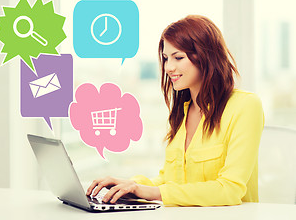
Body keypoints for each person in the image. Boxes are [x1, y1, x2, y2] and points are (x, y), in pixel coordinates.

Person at [86, 15, 265, 206]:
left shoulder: (245, 106)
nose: (169, 67)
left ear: (206, 56)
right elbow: (170, 183)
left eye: (178, 57)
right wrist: (131, 185)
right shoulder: (183, 112)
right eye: (165, 58)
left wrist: (150, 191)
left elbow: (230, 189)